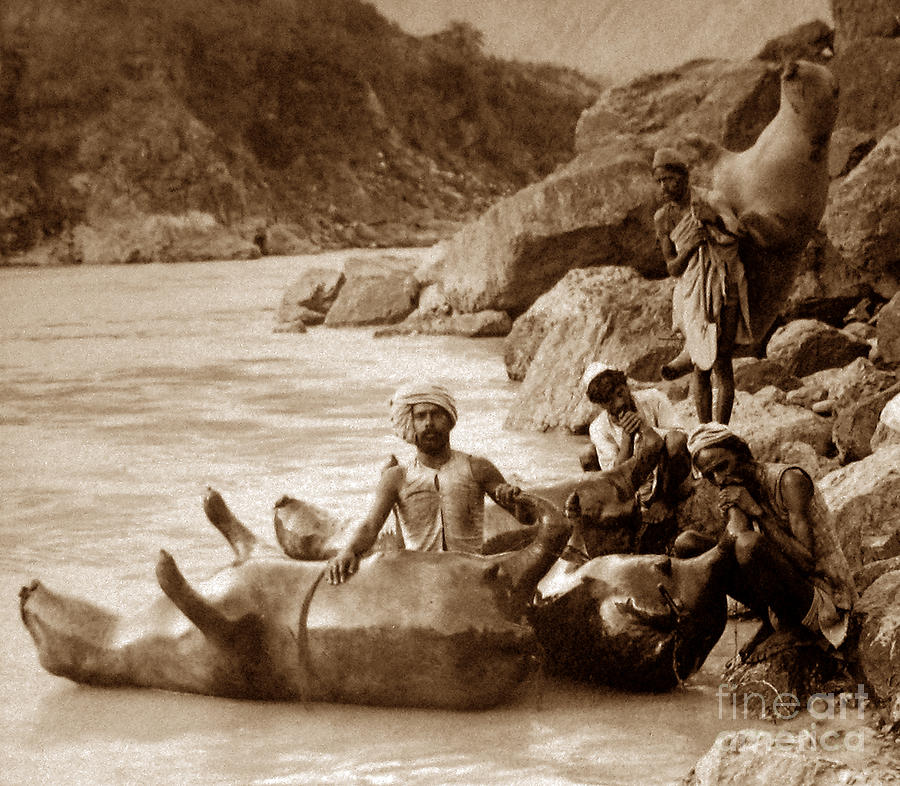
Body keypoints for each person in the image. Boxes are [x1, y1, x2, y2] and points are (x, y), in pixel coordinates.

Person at [681, 423, 857, 654]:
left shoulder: (789, 480)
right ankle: (770, 619)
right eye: (710, 476)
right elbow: (732, 547)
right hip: (788, 586)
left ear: (741, 452)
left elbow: (807, 562)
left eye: (722, 466)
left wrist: (756, 512)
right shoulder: (738, 486)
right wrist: (736, 511)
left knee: (748, 545)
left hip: (825, 594)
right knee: (688, 544)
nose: (720, 479)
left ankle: (793, 627)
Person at [327, 383, 521, 584]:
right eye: (420, 416)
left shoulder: (477, 467)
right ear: (410, 424)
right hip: (419, 581)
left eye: (436, 414)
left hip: (470, 577)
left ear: (449, 420)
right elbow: (370, 526)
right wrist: (347, 551)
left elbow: (523, 516)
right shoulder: (396, 477)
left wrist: (512, 496)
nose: (429, 423)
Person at [653, 147, 753, 425]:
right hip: (692, 290)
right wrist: (689, 249)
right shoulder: (663, 218)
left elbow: (739, 232)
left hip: (724, 285)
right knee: (700, 366)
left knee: (721, 361)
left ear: (684, 176)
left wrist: (713, 220)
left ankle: (720, 429)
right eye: (659, 181)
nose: (664, 186)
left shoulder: (711, 199)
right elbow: (672, 267)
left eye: (669, 179)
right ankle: (704, 430)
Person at [579, 362, 691, 530]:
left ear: (626, 385)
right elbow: (613, 475)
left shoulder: (653, 398)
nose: (619, 403)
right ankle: (619, 512)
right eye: (609, 402)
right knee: (587, 453)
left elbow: (681, 438)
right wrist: (627, 437)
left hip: (665, 475)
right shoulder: (598, 428)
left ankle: (665, 500)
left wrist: (645, 428)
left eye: (620, 393)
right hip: (633, 482)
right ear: (601, 405)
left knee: (675, 439)